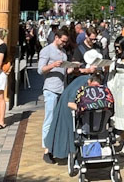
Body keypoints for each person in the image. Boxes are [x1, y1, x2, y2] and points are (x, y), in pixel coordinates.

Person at [38, 27, 69, 164]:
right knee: (49, 119)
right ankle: (46, 149)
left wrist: (71, 68)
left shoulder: (63, 52)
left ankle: (55, 146)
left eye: (65, 42)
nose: (64, 44)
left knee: (58, 120)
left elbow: (65, 70)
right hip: (50, 89)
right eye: (62, 41)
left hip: (61, 88)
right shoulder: (46, 50)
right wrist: (53, 65)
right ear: (56, 38)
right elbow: (40, 69)